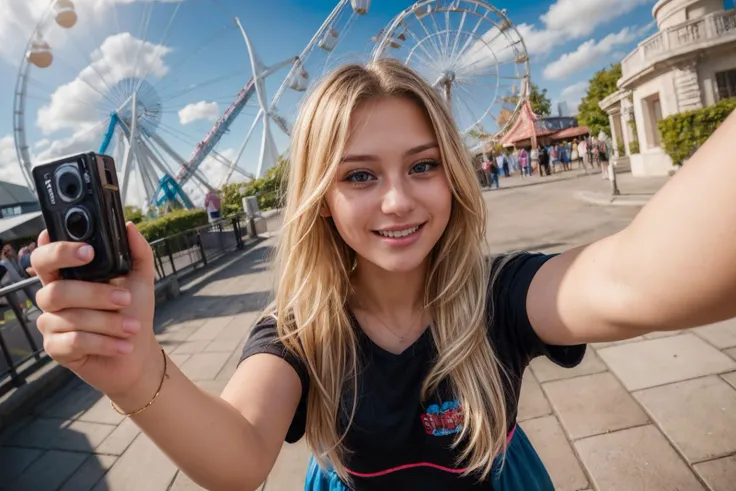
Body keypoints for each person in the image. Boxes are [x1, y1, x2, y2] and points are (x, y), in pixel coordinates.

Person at [29, 59, 736, 491]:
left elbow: (639, 279)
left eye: (423, 165)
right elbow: (241, 454)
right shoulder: (299, 335)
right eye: (360, 175)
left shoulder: (502, 296)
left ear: (453, 174)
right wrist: (132, 368)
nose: (398, 200)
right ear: (321, 198)